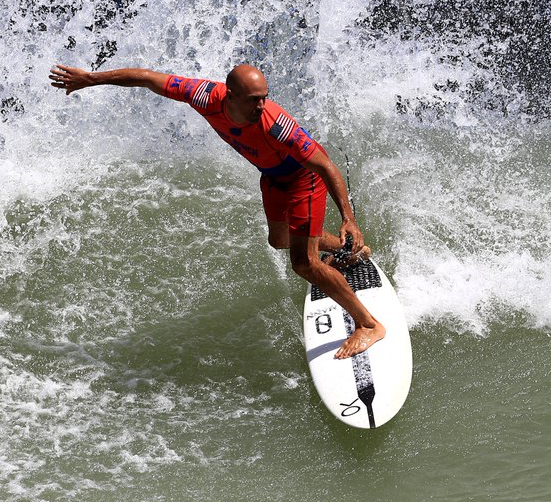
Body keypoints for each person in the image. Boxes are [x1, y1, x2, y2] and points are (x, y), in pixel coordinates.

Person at [49, 62, 386, 358]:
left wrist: (349, 218)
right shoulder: (203, 96)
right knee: (280, 238)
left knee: (304, 263)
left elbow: (325, 166)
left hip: (303, 179)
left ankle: (368, 324)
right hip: (272, 177)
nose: (262, 105)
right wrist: (92, 79)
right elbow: (149, 78)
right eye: (254, 100)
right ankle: (348, 251)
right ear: (230, 96)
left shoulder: (277, 125)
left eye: (265, 97)